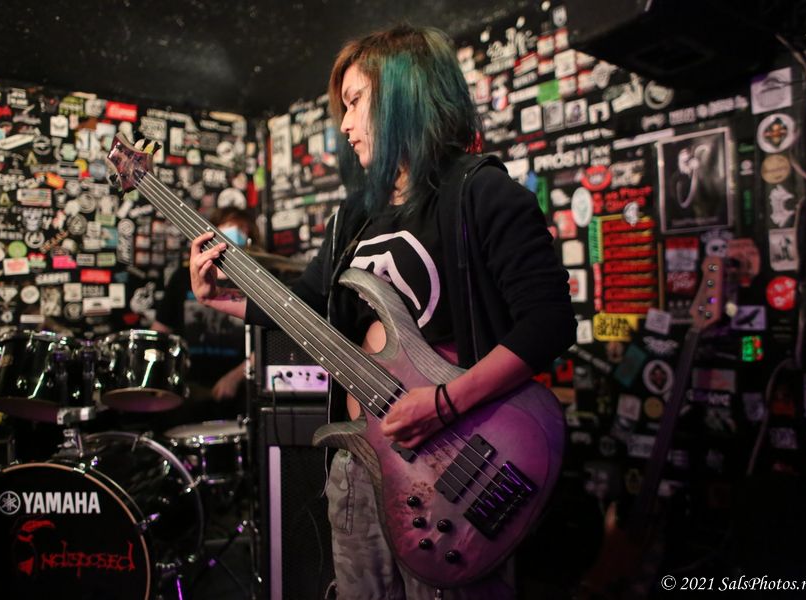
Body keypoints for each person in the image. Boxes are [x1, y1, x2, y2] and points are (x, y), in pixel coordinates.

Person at [188, 25, 576, 599]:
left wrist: (443, 403)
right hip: (363, 465)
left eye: (355, 102)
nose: (344, 125)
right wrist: (221, 299)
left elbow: (548, 324)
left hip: (458, 463)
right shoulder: (353, 218)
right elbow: (308, 310)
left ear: (403, 95)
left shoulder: (482, 193)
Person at [153, 207, 258, 420]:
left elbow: (269, 342)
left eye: (242, 230)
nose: (235, 234)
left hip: (239, 395)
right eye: (228, 227)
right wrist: (156, 376)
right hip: (187, 390)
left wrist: (235, 377)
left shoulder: (257, 282)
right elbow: (159, 331)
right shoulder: (182, 277)